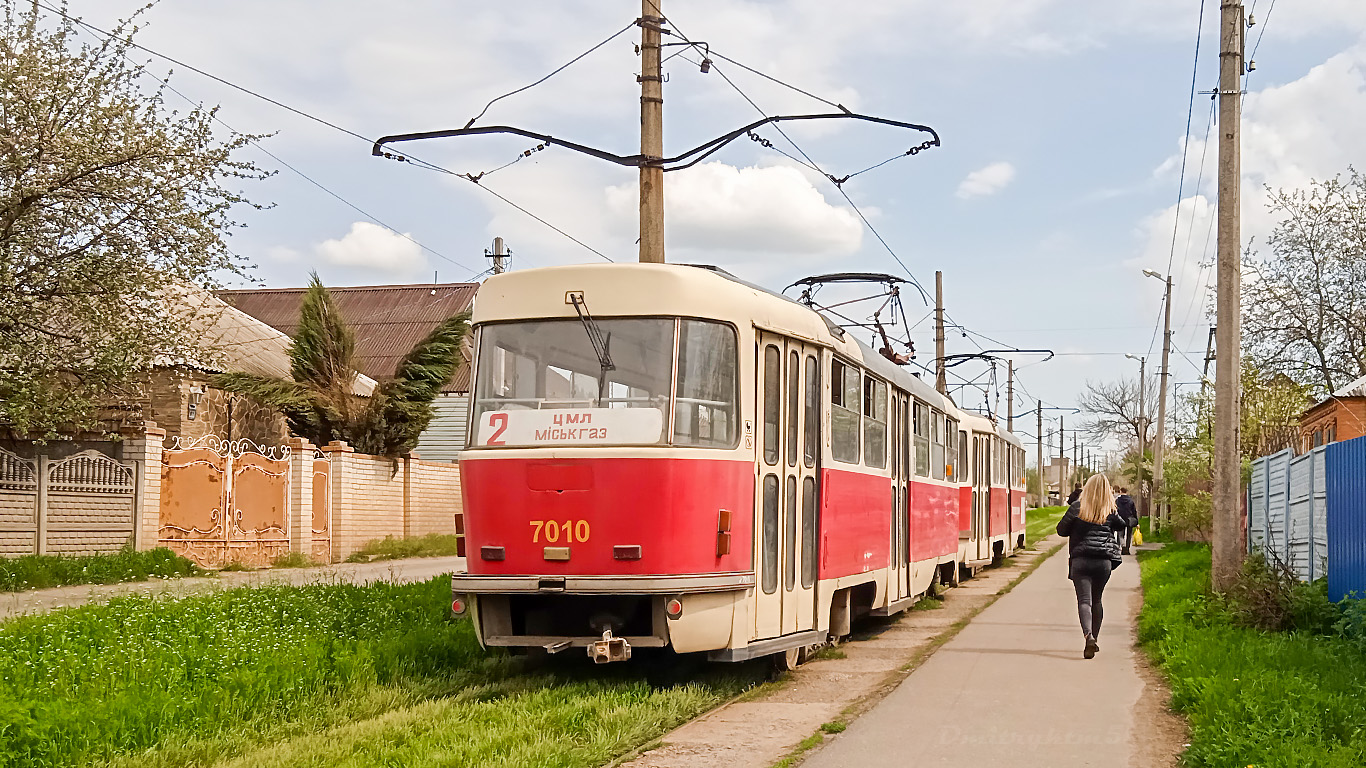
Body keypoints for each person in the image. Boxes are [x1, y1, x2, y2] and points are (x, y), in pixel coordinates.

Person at [1056, 474, 1126, 659]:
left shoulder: (1077, 507)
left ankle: (1089, 636)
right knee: (1097, 600)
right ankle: (1095, 639)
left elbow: (1061, 530)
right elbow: (1121, 525)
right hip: (1103, 562)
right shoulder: (1109, 510)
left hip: (1081, 560)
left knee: (1084, 601)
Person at [1115, 486, 1139, 554]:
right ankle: (1127, 550)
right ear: (1126, 492)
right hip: (1129, 519)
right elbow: (1134, 511)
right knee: (1129, 535)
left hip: (1120, 519)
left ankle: (1122, 546)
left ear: (1120, 491)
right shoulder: (1130, 500)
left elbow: (1115, 509)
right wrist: (1137, 521)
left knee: (1120, 535)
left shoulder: (1117, 500)